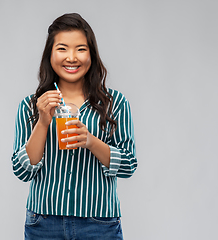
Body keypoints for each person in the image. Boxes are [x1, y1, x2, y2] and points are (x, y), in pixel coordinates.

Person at [11, 13, 137, 240]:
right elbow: (22, 171)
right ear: (50, 55)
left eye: (80, 49)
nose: (71, 57)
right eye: (62, 49)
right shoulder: (31, 106)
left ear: (92, 54)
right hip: (43, 223)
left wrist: (91, 141)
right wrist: (42, 121)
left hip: (99, 223)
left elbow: (128, 165)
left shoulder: (115, 103)